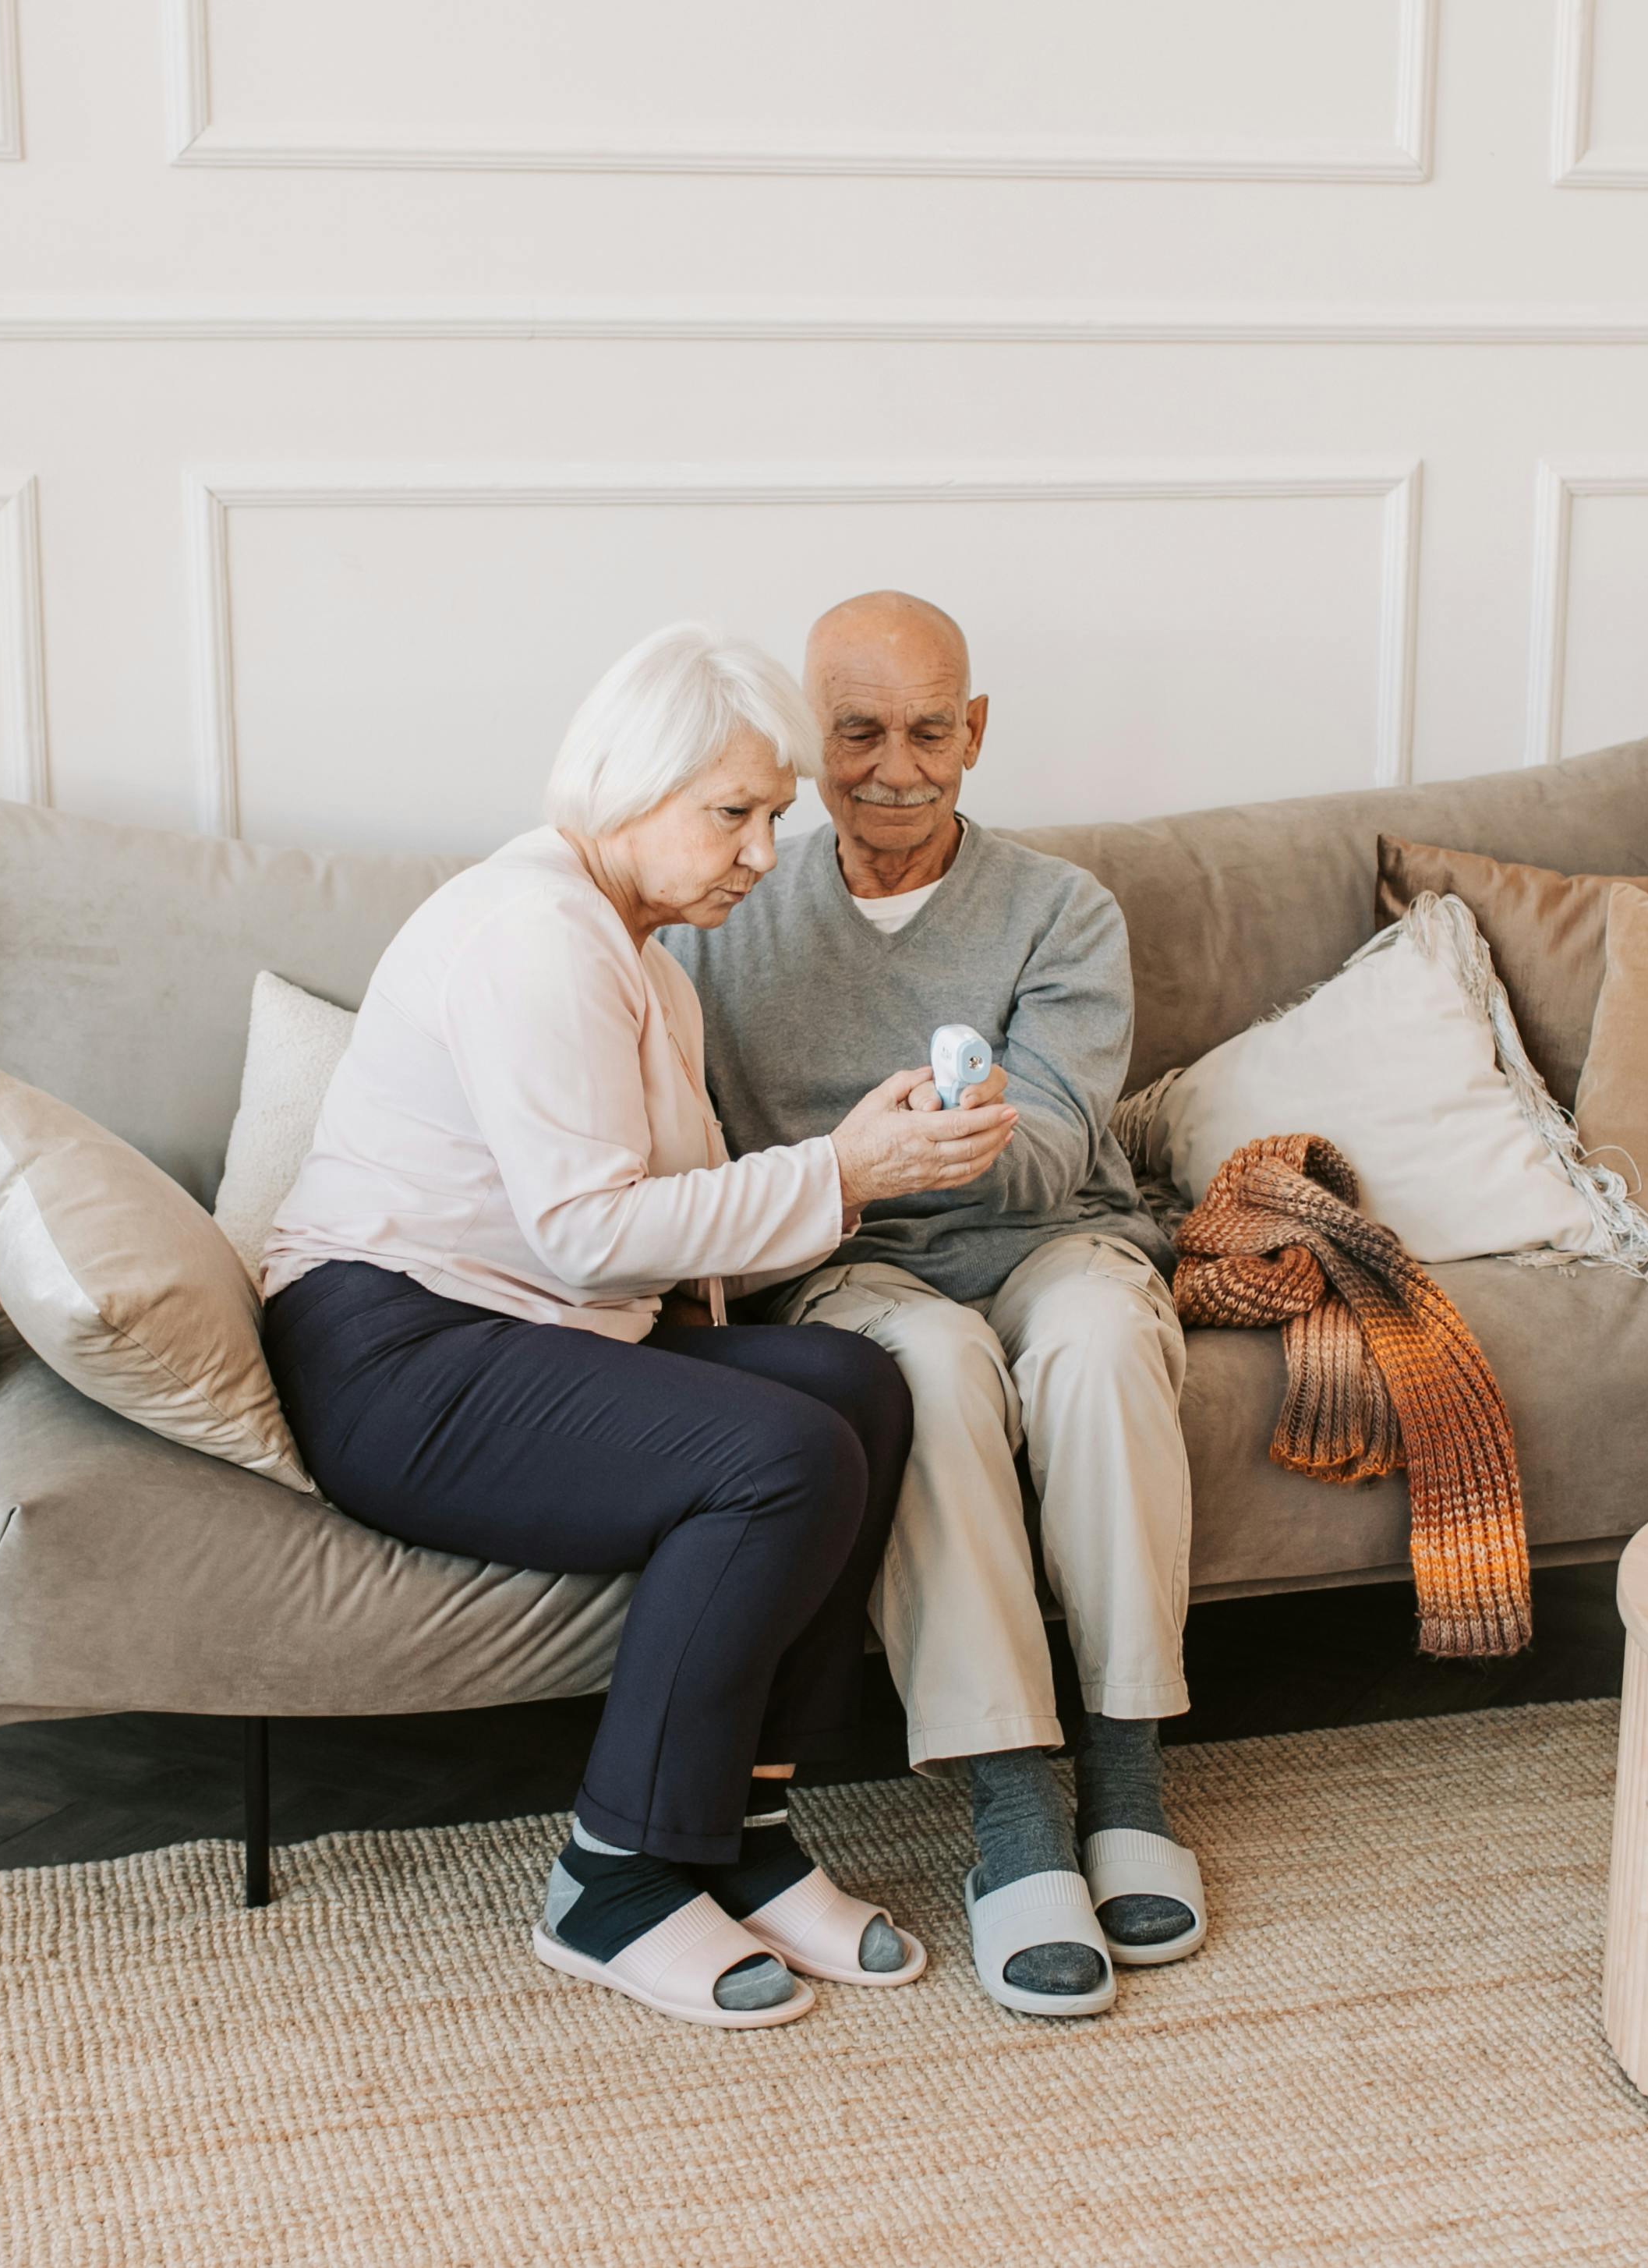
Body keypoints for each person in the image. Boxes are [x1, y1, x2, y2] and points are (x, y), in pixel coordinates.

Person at [256, 621, 1022, 2032]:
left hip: (522, 1328)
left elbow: (643, 1231)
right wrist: (844, 1172)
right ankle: (610, 1878)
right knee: (780, 1453)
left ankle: (740, 1830)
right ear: (626, 784)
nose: (760, 849)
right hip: (394, 1351)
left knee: (859, 1387)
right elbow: (588, 1230)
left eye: (773, 816)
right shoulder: (536, 933)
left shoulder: (643, 953)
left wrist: (844, 1175)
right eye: (732, 812)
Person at [670, 591, 1202, 2022]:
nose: (893, 767)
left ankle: (1130, 1772)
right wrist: (856, 1169)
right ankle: (1017, 1812)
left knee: (1095, 1343)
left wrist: (961, 1137)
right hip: (845, 1262)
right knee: (935, 1369)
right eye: (855, 732)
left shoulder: (1061, 910)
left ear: (975, 731)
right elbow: (710, 1164)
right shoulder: (725, 918)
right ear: (808, 739)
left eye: (926, 730)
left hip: (1043, 1231)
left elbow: (1060, 1138)